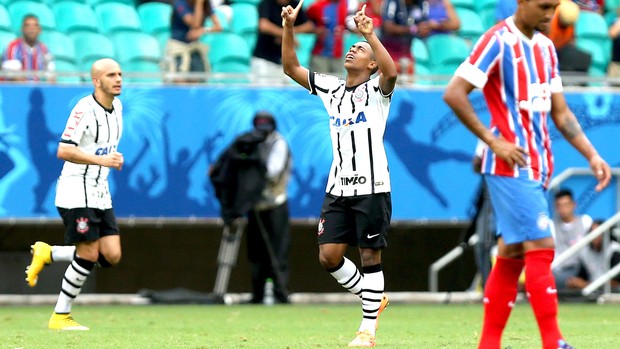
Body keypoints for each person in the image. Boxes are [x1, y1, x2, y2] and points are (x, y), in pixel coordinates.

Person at [442, 1, 612, 348]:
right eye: (543, 6)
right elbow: (454, 93)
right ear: (521, 2)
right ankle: (554, 342)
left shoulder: (547, 48)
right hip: (510, 164)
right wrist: (493, 140)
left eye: (554, 7)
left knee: (511, 253)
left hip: (540, 165)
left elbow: (561, 114)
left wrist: (592, 155)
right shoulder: (497, 40)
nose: (550, 14)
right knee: (542, 245)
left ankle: (488, 343)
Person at [282, 2, 397, 347]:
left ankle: (367, 330)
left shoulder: (377, 92)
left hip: (372, 185)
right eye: (352, 45)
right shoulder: (331, 88)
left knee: (369, 256)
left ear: (372, 63)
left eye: (360, 49)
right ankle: (374, 297)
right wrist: (289, 26)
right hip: (338, 186)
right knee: (328, 256)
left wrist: (369, 34)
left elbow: (391, 72)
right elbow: (290, 67)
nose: (353, 48)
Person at [25, 58, 125, 331]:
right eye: (111, 75)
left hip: (100, 190)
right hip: (76, 190)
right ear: (96, 81)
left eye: (119, 74)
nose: (118, 79)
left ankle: (49, 252)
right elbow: (64, 150)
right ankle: (60, 316)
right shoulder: (83, 109)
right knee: (89, 253)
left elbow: (104, 148)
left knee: (111, 255)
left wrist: (110, 159)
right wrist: (101, 160)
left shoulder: (118, 107)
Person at [245, 111, 293, 304]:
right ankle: (257, 294)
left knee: (278, 251)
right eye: (259, 125)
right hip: (255, 205)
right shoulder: (251, 143)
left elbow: (273, 172)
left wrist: (252, 165)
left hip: (275, 203)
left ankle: (280, 294)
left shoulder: (279, 143)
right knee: (256, 253)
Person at [252, 0, 314, 83]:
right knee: (263, 92)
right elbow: (263, 25)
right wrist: (285, 34)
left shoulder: (294, 4)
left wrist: (288, 32)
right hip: (264, 59)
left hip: (284, 62)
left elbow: (309, 26)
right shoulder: (267, 3)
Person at [166, 0, 222, 82]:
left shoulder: (206, 4)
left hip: (194, 48)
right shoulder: (180, 3)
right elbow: (195, 25)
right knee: (180, 82)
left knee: (196, 82)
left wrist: (204, 30)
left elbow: (219, 27)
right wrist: (199, 4)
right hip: (178, 48)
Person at [552, 189, 593, 291]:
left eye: (566, 204)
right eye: (559, 205)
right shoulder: (551, 225)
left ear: (573, 204)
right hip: (560, 269)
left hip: (582, 268)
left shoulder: (585, 221)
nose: (563, 209)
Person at [567, 219, 620, 291]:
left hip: (611, 293)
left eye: (598, 233)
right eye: (592, 232)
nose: (595, 236)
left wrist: (586, 284)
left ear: (606, 234)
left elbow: (615, 283)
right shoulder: (585, 252)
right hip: (591, 293)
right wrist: (574, 282)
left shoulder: (615, 250)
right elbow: (581, 277)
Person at [380, 0, 429, 75]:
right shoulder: (393, 2)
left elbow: (424, 28)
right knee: (391, 73)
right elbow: (388, 28)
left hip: (408, 48)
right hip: (390, 48)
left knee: (410, 72)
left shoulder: (422, 3)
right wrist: (412, 29)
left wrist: (424, 29)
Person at [2, 14, 54, 81]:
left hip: (36, 89)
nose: (31, 28)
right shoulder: (13, 48)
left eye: (35, 25)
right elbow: (16, 79)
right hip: (15, 90)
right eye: (27, 25)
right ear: (22, 29)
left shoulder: (44, 50)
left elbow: (51, 76)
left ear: (40, 30)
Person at [306, 0, 348, 75]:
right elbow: (303, 23)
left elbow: (347, 23)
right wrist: (315, 30)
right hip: (320, 55)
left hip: (338, 55)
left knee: (338, 82)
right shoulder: (317, 6)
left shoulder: (346, 4)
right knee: (319, 83)